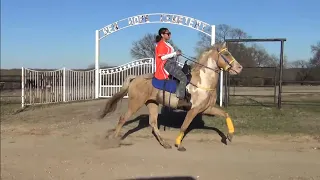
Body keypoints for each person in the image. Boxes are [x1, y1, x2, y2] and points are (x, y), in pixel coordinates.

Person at [154, 27, 192, 108]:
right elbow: (163, 57)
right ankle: (181, 100)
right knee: (183, 78)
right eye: (168, 34)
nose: (169, 35)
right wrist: (175, 53)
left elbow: (171, 55)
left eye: (170, 33)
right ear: (162, 35)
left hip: (172, 63)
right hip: (166, 65)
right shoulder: (160, 44)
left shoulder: (168, 44)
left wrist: (176, 54)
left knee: (187, 73)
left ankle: (184, 93)